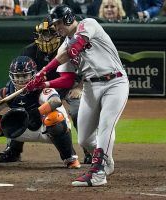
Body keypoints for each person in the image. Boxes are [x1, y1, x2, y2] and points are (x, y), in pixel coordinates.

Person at [25, 5, 129, 187]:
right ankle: (106, 161)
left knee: (106, 125)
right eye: (54, 25)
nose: (56, 28)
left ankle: (98, 172)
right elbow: (67, 79)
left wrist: (44, 70)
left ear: (68, 18)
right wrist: (45, 83)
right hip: (90, 87)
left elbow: (75, 47)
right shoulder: (63, 45)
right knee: (85, 138)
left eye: (58, 23)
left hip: (115, 82)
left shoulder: (89, 24)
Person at [0, 21, 93, 164]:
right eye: (42, 34)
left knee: (78, 110)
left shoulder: (68, 46)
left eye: (50, 34)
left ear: (58, 34)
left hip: (69, 87)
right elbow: (18, 75)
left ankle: (89, 149)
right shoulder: (28, 52)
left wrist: (79, 87)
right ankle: (13, 150)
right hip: (39, 90)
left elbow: (85, 68)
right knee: (19, 107)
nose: (46, 38)